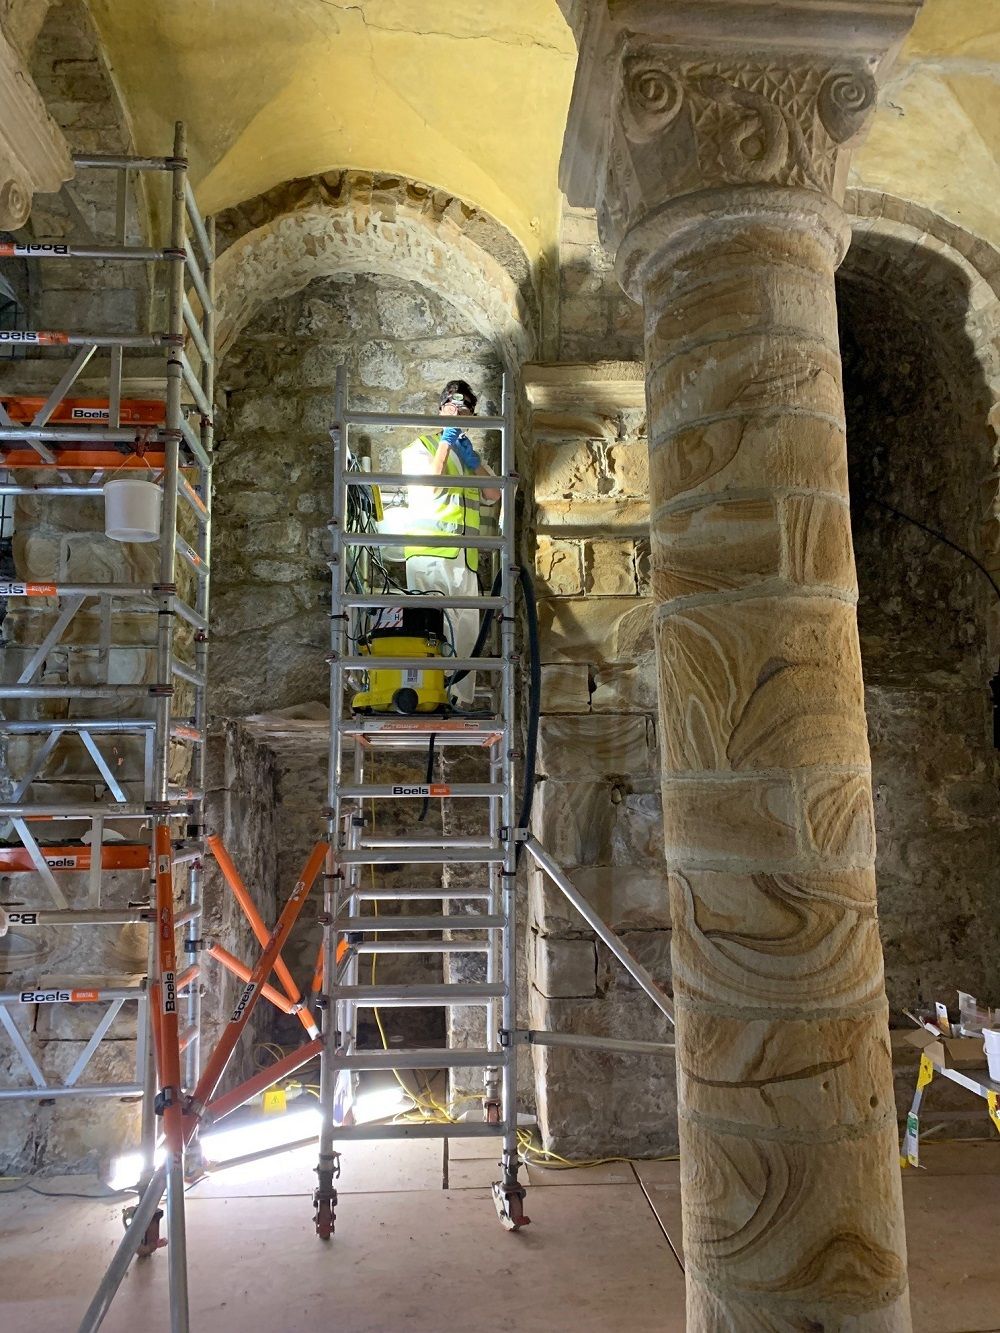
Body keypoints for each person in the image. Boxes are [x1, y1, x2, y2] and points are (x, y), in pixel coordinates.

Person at [402, 379, 500, 709]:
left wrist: (472, 460)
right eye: (453, 408)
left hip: (463, 555)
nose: (460, 415)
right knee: (433, 627)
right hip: (429, 552)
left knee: (467, 628)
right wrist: (445, 441)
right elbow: (428, 488)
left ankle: (457, 700)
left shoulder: (470, 457)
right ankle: (430, 695)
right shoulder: (420, 448)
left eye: (466, 410)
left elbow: (493, 494)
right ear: (441, 410)